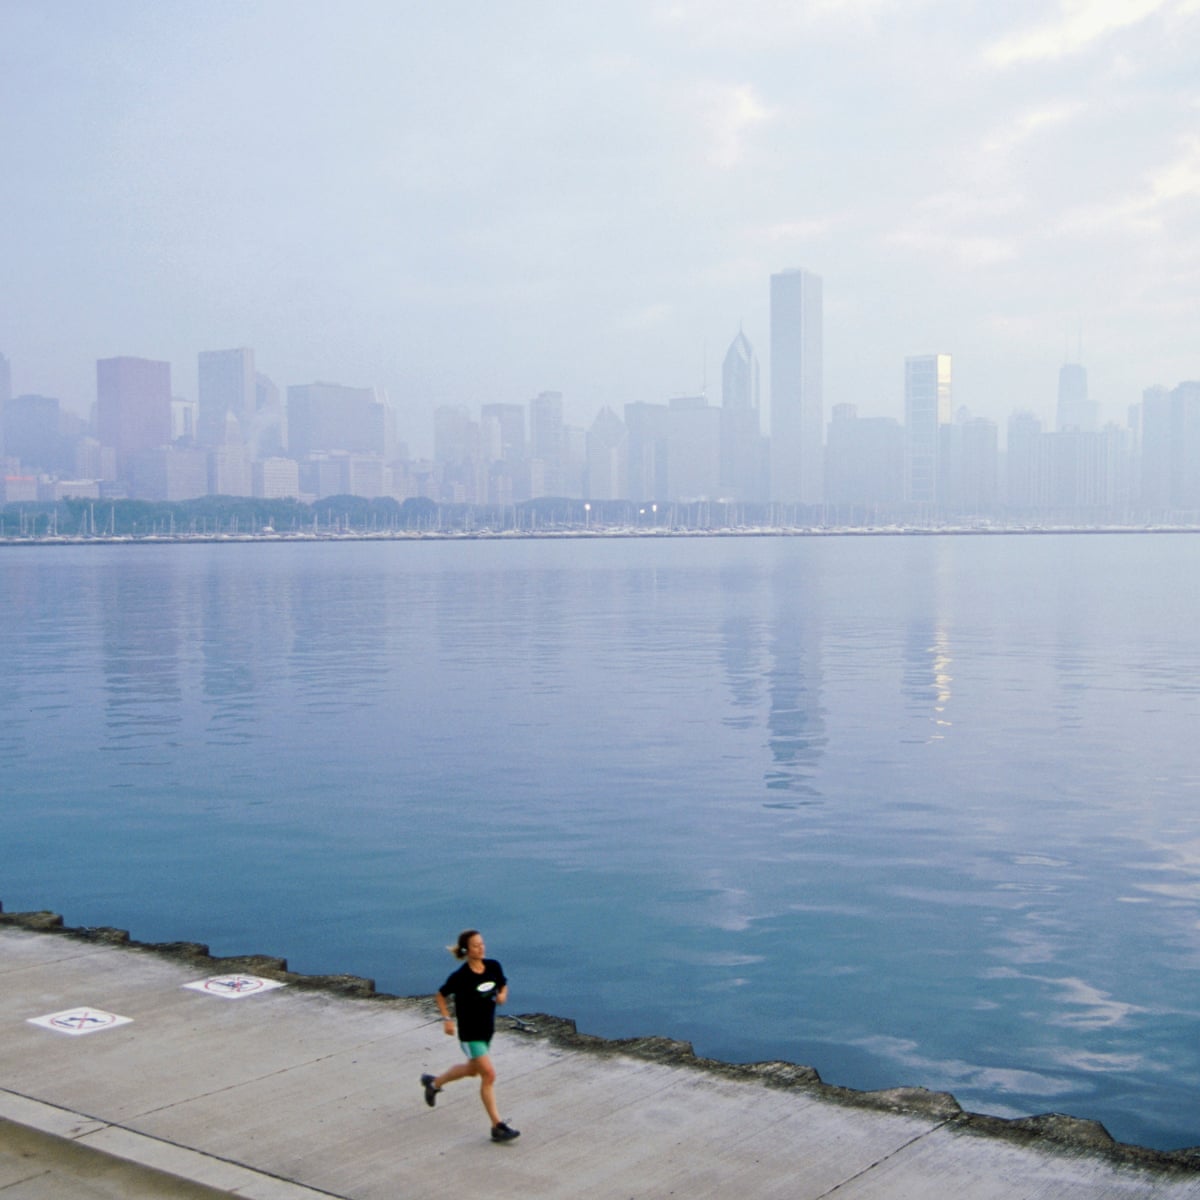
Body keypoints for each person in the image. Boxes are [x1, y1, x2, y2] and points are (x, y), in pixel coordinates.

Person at [421, 929, 520, 1142]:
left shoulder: (493, 966)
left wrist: (502, 995)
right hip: (469, 1034)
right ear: (467, 950)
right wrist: (447, 1020)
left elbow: (502, 984)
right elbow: (440, 995)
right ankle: (497, 1126)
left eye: (482, 944)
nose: (481, 948)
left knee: (472, 1070)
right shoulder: (461, 977)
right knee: (489, 1074)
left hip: (486, 1031)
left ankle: (434, 1084)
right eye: (476, 945)